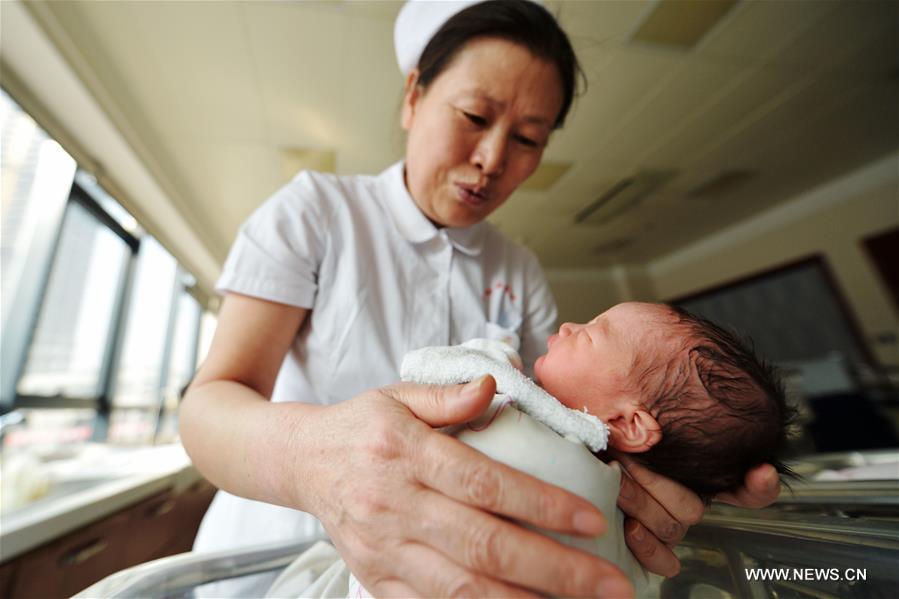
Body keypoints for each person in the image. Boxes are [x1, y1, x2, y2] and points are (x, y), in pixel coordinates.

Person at [180, 1, 781, 597]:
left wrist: (665, 468)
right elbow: (209, 406)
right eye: (473, 115)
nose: (492, 160)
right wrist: (317, 461)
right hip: (268, 561)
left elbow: (569, 415)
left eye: (527, 138)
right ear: (414, 96)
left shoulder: (517, 268)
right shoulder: (316, 212)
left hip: (453, 566)